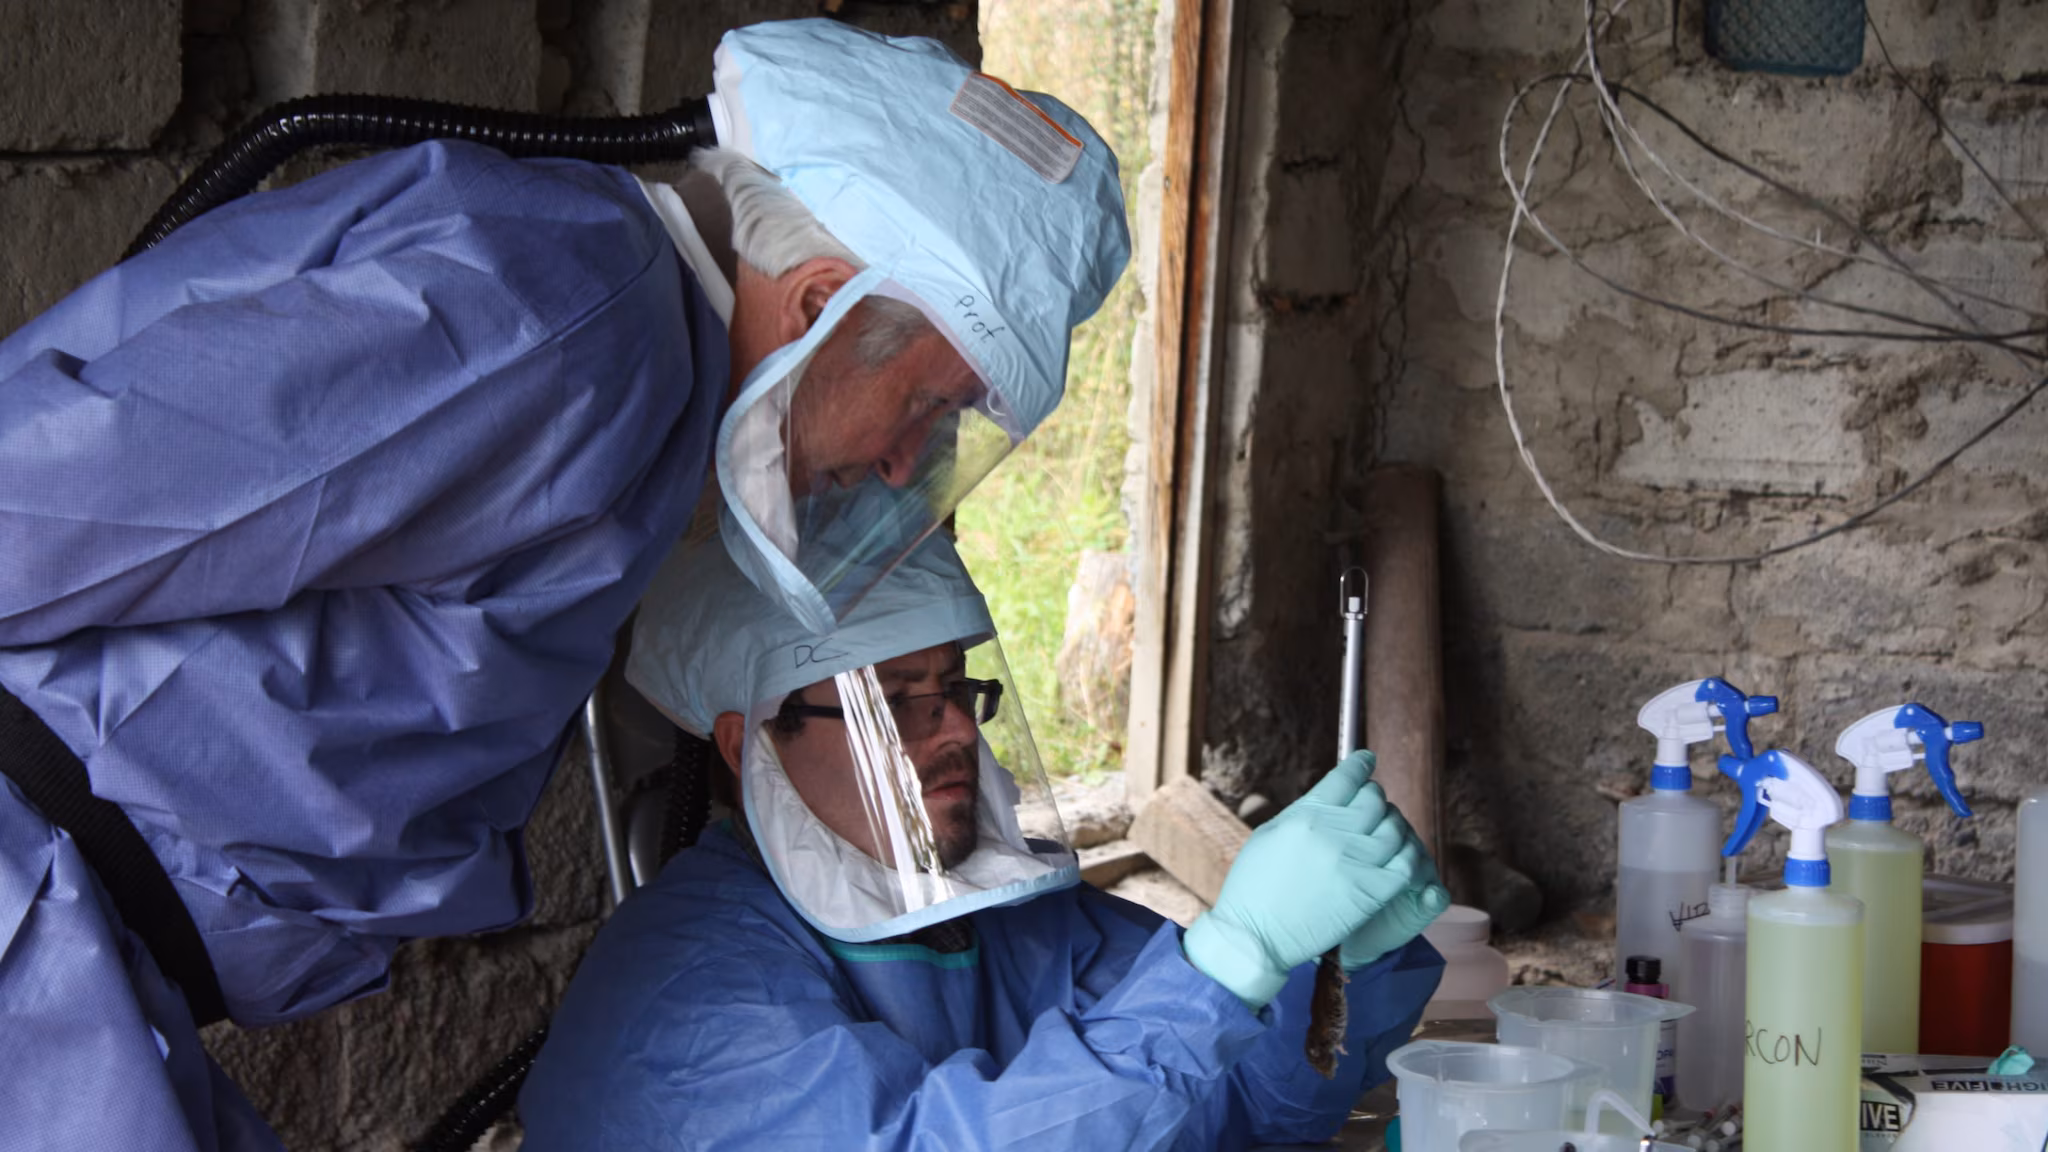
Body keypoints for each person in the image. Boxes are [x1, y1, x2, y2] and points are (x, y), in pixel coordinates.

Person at [0, 19, 1129, 1152]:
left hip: (95, 956)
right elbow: (53, 500)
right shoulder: (568, 327)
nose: (901, 466)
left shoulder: (640, 370)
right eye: (930, 409)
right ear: (819, 302)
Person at [517, 530, 1448, 1150]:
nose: (955, 730)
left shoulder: (998, 919)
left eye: (956, 688)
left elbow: (1241, 1108)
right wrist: (1226, 959)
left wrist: (1333, 973)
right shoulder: (686, 988)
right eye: (893, 704)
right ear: (747, 741)